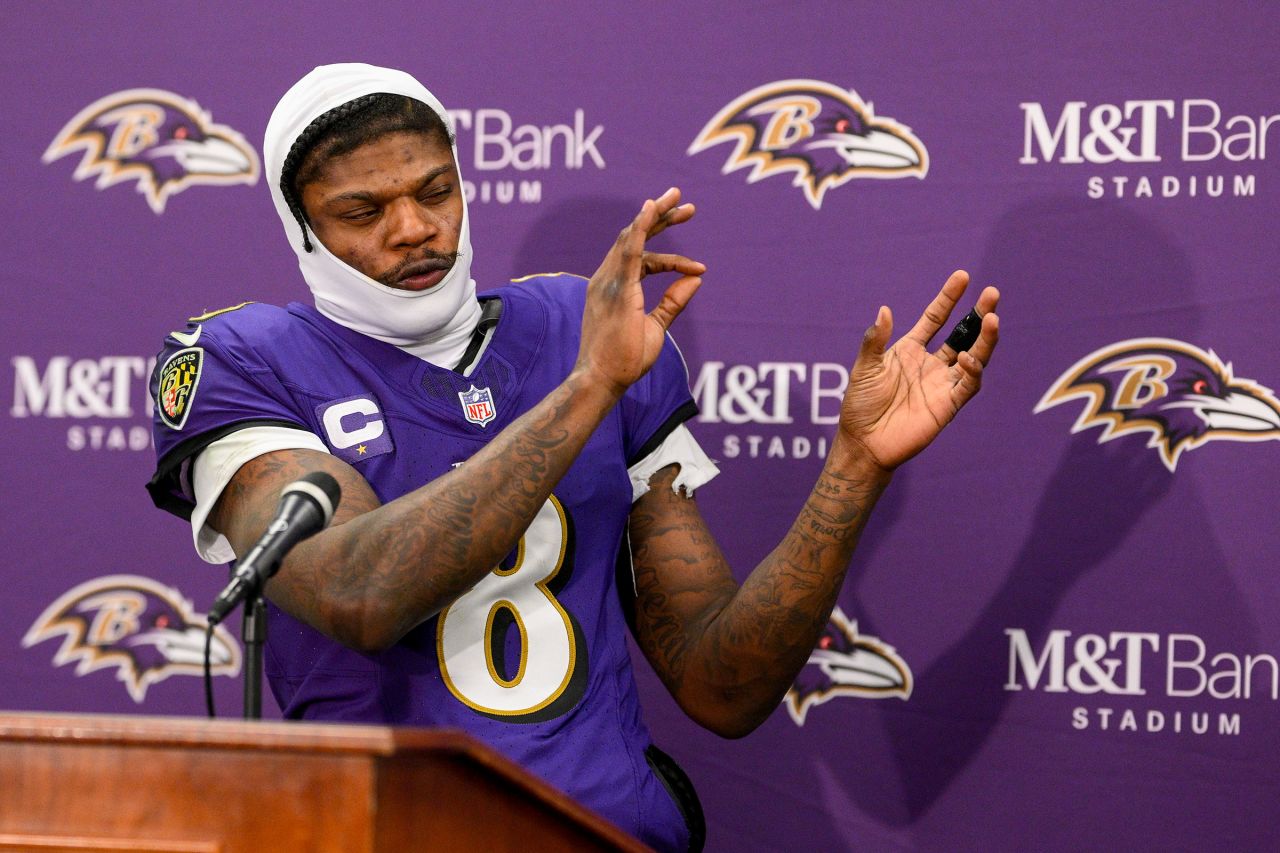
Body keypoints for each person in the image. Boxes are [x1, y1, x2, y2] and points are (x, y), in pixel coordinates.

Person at [148, 63, 999, 852]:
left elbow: (721, 683)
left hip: (601, 831)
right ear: (300, 227)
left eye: (436, 191)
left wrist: (855, 466)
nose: (414, 229)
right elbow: (360, 593)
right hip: (383, 833)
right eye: (363, 212)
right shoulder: (242, 359)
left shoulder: (568, 327)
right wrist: (588, 387)